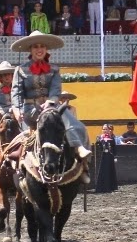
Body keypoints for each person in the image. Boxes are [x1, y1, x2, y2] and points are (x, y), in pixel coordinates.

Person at [10, 30, 92, 161]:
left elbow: (55, 89)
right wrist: (17, 109)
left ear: (46, 48)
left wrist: (51, 101)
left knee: (74, 122)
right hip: (31, 109)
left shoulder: (54, 69)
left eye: (42, 46)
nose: (39, 49)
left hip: (52, 107)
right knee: (49, 117)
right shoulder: (20, 70)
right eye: (35, 46)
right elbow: (16, 93)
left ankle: (79, 149)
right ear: (30, 50)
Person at [94, 124, 118, 193]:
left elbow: (114, 148)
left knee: (109, 171)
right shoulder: (99, 137)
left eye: (106, 129)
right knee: (102, 172)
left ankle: (110, 187)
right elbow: (97, 147)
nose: (105, 131)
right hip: (102, 158)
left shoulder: (111, 138)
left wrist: (115, 157)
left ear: (109, 130)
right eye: (103, 129)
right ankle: (101, 187)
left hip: (109, 157)